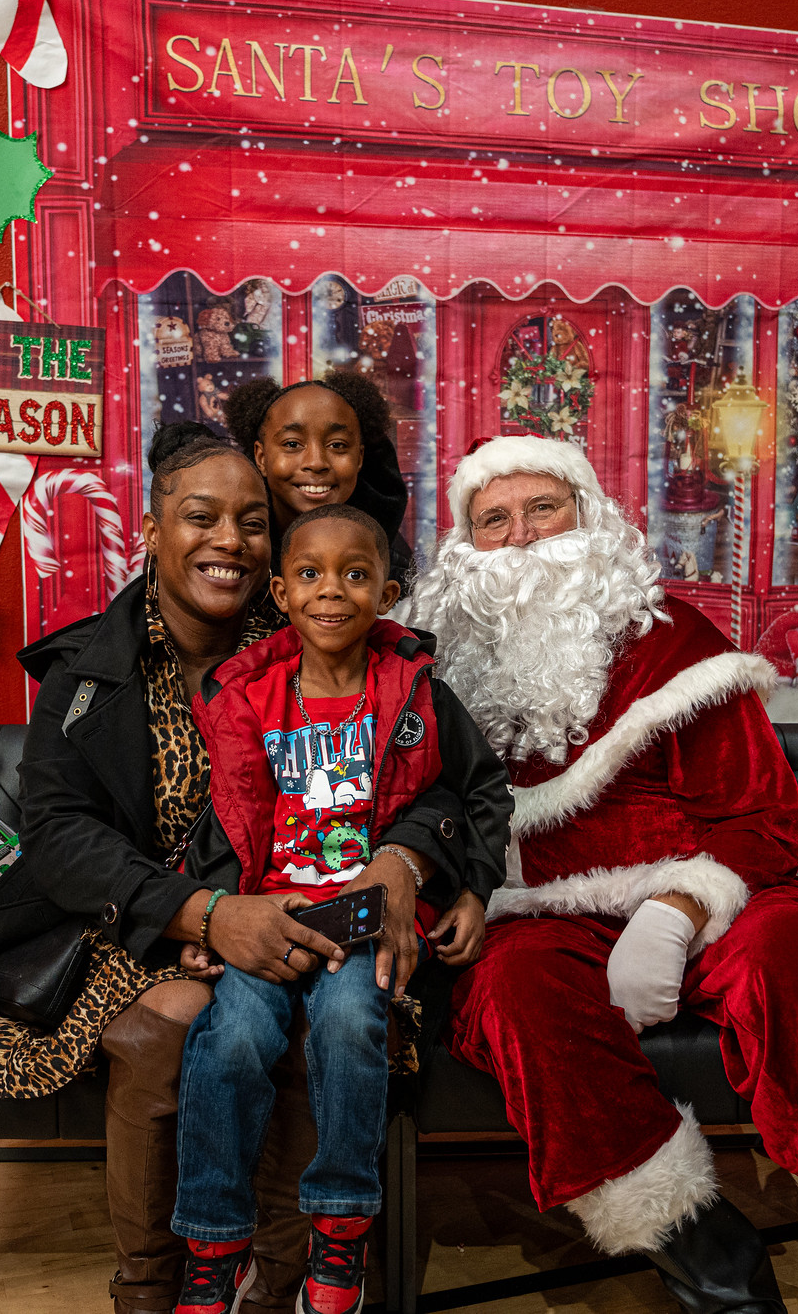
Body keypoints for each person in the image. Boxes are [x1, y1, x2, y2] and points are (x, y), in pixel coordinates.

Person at [0, 424, 477, 1314]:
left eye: (252, 523)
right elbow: (60, 837)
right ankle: (159, 1284)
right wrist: (204, 916)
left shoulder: (315, 633)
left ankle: (287, 1279)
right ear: (150, 529)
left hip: (302, 910)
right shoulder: (90, 673)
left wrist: (403, 857)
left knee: (311, 999)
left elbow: (424, 765)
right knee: (177, 1021)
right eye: (200, 517)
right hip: (131, 921)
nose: (230, 541)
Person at [407, 435, 798, 1314]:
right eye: (493, 519)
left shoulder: (674, 643)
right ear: (464, 547)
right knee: (515, 992)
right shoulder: (439, 670)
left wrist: (674, 909)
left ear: (588, 516)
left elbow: (763, 821)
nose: (518, 537)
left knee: (786, 955)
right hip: (537, 914)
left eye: (541, 508)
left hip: (712, 889)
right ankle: (723, 1283)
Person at [165, 504, 511, 1314]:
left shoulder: (415, 689)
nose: (333, 592)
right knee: (232, 1037)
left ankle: (340, 1230)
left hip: (365, 928)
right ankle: (216, 1244)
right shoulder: (245, 694)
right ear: (281, 592)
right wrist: (207, 915)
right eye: (311, 575)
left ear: (386, 591)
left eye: (356, 575)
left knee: (356, 1026)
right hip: (270, 915)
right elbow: (217, 815)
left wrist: (475, 887)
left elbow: (480, 786)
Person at [223, 372, 417, 588]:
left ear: (359, 458)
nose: (316, 463)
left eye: (337, 445)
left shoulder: (391, 560)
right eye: (292, 444)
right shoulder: (230, 548)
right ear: (261, 458)